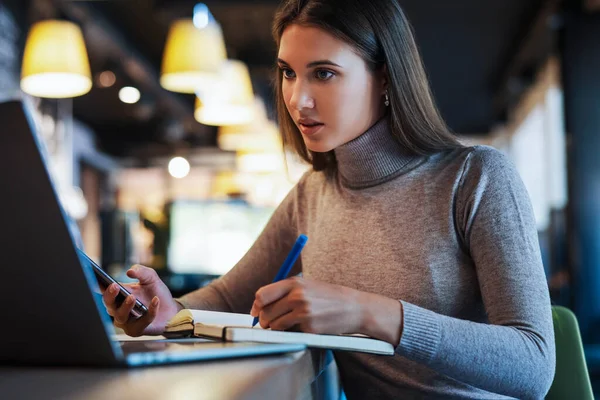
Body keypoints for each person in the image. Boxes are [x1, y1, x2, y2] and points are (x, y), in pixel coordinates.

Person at [102, 0, 555, 398]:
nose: (298, 99)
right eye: (287, 73)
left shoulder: (475, 176)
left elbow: (533, 366)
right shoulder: (311, 195)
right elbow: (228, 295)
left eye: (324, 73)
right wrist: (172, 312)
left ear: (384, 77)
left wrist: (369, 312)